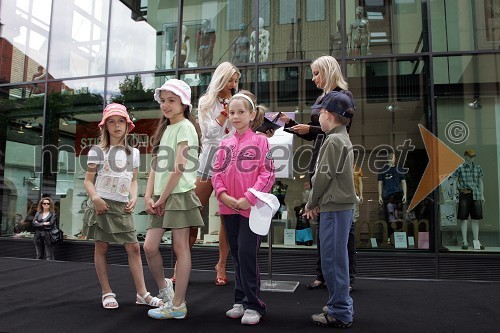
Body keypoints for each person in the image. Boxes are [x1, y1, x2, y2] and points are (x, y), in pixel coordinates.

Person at [278, 55, 349, 290]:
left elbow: (339, 127)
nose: (313, 78)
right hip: (318, 156)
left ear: (329, 71)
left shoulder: (341, 98)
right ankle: (323, 273)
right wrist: (290, 124)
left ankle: (344, 280)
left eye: (317, 73)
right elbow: (313, 133)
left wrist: (311, 128)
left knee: (340, 229)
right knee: (324, 225)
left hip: (331, 159)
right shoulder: (322, 98)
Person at [84, 103, 163, 310]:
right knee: (101, 247)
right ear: (105, 126)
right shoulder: (97, 151)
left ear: (127, 126)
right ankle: (106, 292)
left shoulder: (134, 153)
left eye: (121, 121)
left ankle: (142, 293)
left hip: (123, 206)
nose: (117, 126)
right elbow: (88, 181)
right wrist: (96, 199)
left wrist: (134, 196)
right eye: (112, 121)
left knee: (134, 247)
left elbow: (134, 180)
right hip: (102, 205)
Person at [212, 90, 275, 325]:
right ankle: (240, 300)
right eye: (232, 112)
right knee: (237, 256)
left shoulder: (260, 141)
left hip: (252, 209)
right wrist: (223, 195)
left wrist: (250, 197)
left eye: (241, 112)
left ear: (251, 115)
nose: (236, 116)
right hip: (229, 209)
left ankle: (254, 304)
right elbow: (216, 173)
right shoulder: (224, 142)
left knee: (248, 254)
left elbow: (267, 173)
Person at [145, 79, 204, 320]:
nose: (166, 105)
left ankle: (178, 305)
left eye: (172, 100)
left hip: (178, 195)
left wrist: (163, 197)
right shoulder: (166, 129)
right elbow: (155, 166)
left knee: (181, 248)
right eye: (163, 101)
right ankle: (166, 291)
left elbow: (179, 167)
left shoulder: (186, 127)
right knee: (149, 247)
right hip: (161, 196)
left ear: (184, 103)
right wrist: (149, 196)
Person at [178, 62, 240, 287]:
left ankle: (221, 264)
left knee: (227, 217)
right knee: (194, 212)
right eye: (231, 80)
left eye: (235, 81)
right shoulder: (205, 102)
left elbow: (239, 132)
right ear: (221, 79)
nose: (233, 85)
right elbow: (207, 133)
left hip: (230, 162)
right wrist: (224, 115)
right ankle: (181, 263)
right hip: (208, 160)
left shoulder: (237, 101)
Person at [304, 90, 356, 329]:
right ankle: (339, 305)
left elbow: (323, 175)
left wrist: (312, 202)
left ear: (330, 115)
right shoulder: (341, 137)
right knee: (336, 259)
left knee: (332, 261)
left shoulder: (334, 140)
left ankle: (340, 311)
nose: (318, 119)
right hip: (337, 206)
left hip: (334, 208)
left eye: (321, 114)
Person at [454, 149, 485, 250]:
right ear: (466, 156)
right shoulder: (460, 167)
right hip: (464, 193)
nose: (472, 158)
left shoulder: (478, 167)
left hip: (476, 194)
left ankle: (476, 241)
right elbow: (454, 181)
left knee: (475, 219)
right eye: (470, 156)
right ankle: (464, 241)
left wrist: (482, 195)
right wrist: (455, 194)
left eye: (473, 156)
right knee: (464, 219)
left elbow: (480, 182)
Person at [378, 152, 407, 245]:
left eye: (393, 158)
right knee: (389, 217)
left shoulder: (399, 169)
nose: (392, 160)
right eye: (390, 158)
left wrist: (405, 194)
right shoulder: (383, 170)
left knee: (399, 216)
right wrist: (379, 195)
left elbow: (403, 182)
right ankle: (389, 238)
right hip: (387, 196)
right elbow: (380, 183)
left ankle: (399, 238)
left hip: (398, 195)